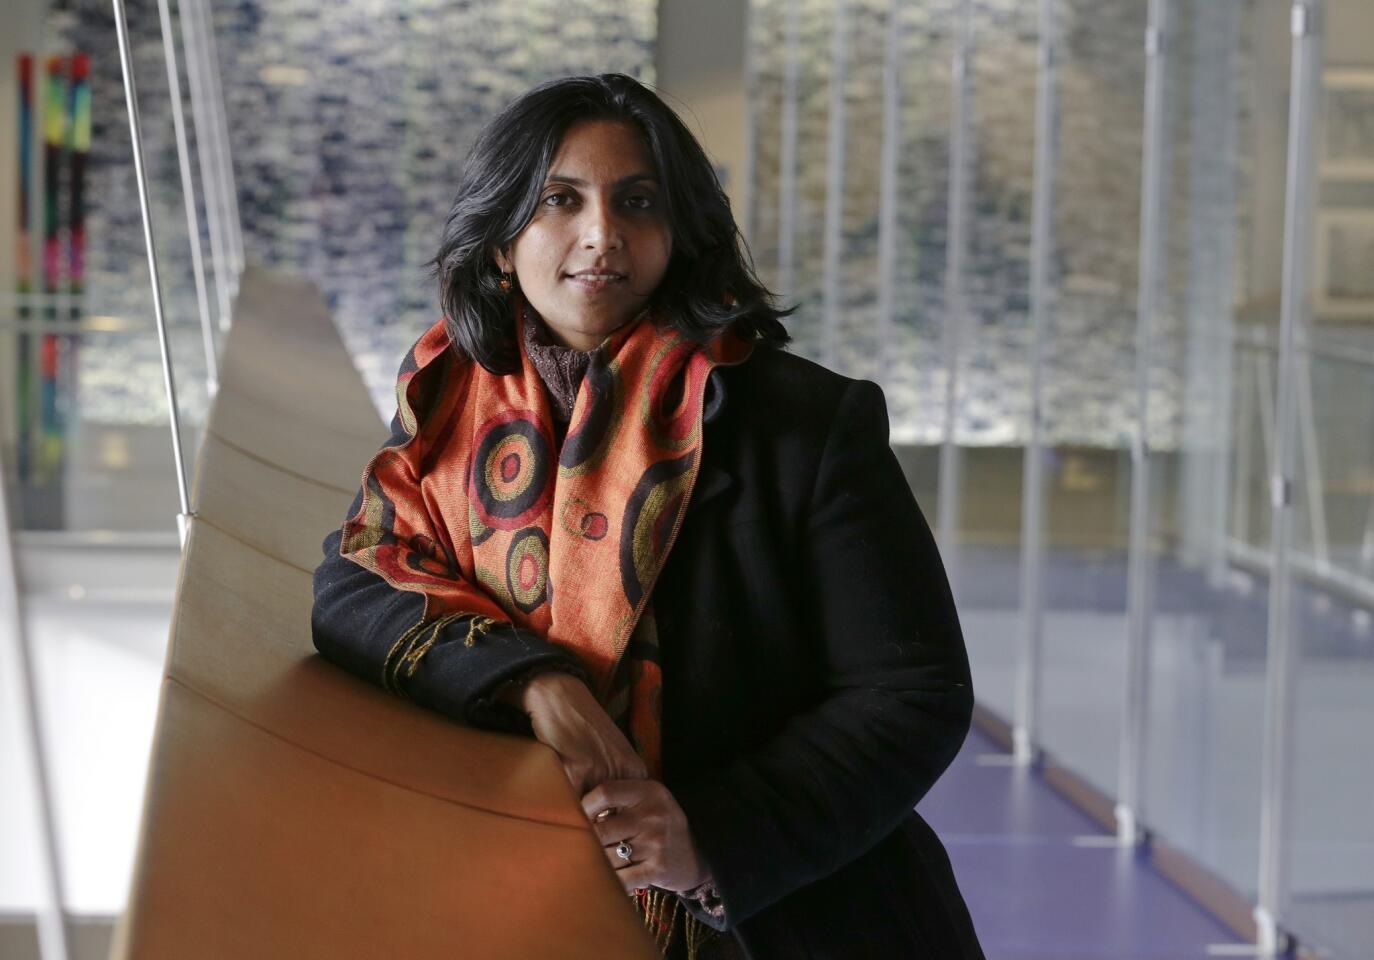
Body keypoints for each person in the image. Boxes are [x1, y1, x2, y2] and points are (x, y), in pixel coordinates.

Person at [311, 73, 983, 960]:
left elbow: (914, 693)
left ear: (680, 234)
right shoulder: (447, 407)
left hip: (792, 917)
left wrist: (704, 838)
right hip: (530, 905)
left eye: (638, 202)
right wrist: (539, 683)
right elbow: (361, 573)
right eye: (560, 200)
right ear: (503, 244)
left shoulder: (804, 425)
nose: (602, 236)